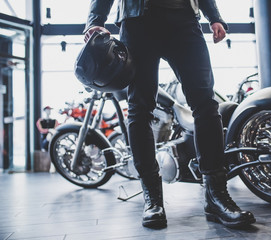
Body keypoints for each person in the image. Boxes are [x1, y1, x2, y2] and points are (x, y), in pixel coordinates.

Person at [83, 0, 256, 229]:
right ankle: (152, 200)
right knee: (140, 109)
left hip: (184, 18)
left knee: (206, 105)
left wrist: (214, 16)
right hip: (138, 21)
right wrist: (95, 21)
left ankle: (216, 196)